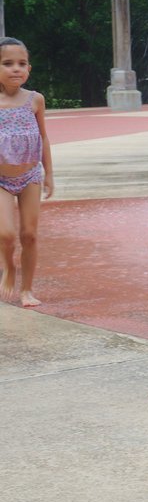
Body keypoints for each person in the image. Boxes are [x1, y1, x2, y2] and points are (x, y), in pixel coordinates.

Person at [0, 37, 53, 307]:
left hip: (31, 176)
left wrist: (50, 174)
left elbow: (43, 138)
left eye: (22, 64)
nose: (16, 69)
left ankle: (27, 290)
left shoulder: (35, 100)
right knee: (6, 234)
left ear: (29, 69)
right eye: (8, 63)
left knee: (29, 235)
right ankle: (8, 266)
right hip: (1, 180)